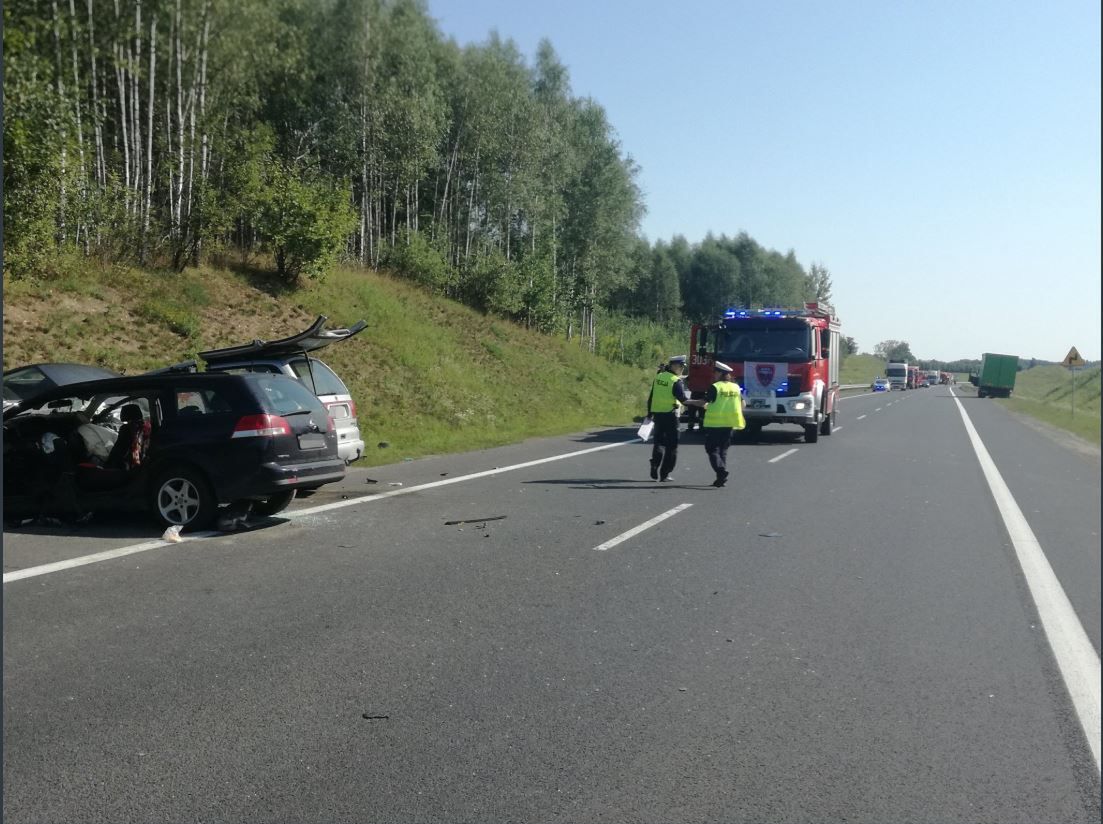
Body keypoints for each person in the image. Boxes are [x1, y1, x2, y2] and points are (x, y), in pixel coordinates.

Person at [687, 361, 745, 487]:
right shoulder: (735, 387)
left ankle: (721, 470)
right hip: (730, 423)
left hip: (715, 424)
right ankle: (720, 479)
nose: (714, 375)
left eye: (715, 372)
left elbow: (703, 402)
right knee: (723, 451)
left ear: (720, 373)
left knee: (712, 449)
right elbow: (743, 404)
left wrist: (689, 402)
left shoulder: (716, 387)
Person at [645, 355, 690, 482]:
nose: (682, 369)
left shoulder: (659, 377)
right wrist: (698, 403)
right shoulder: (676, 381)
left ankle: (654, 464)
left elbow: (652, 396)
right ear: (673, 366)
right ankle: (665, 473)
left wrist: (649, 413)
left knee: (659, 442)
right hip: (671, 416)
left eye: (683, 367)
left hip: (658, 415)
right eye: (681, 366)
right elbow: (683, 400)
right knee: (672, 446)